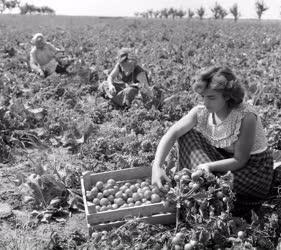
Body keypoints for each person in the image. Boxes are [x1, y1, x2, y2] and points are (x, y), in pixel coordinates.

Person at [151, 66, 274, 217]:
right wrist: (156, 166)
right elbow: (172, 133)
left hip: (252, 170)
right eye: (203, 96)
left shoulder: (246, 116)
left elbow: (240, 160)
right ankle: (199, 190)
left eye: (211, 97)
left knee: (216, 189)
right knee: (186, 135)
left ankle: (206, 197)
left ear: (227, 96)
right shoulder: (202, 112)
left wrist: (208, 166)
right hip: (224, 158)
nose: (206, 102)